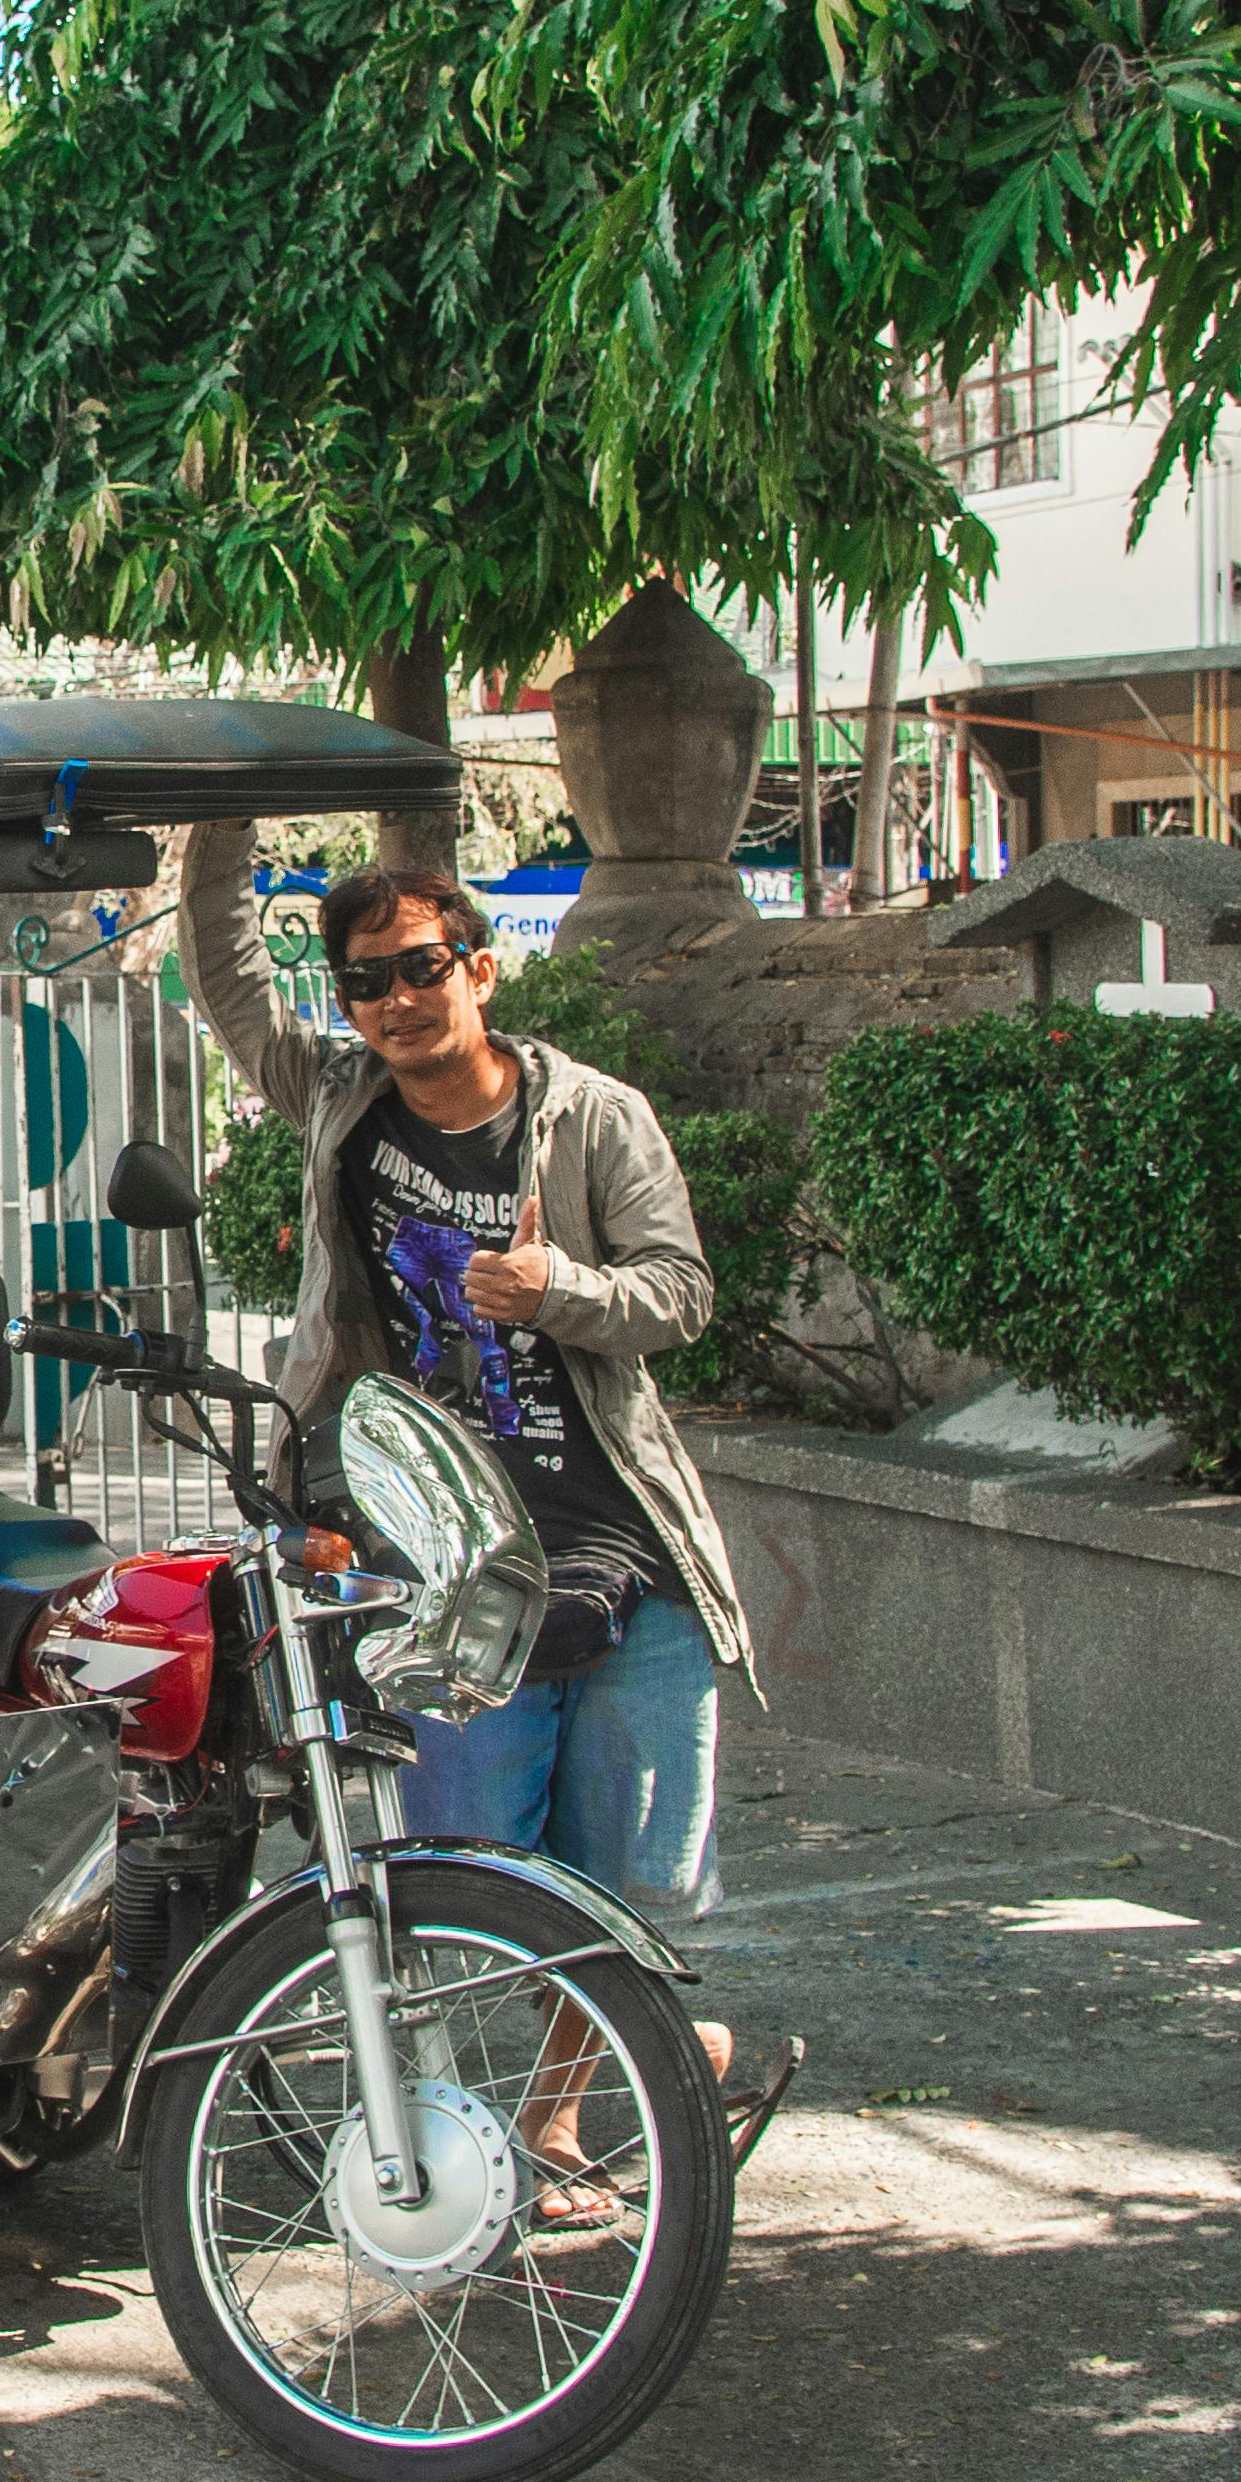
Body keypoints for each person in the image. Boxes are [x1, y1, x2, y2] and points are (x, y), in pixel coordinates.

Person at [178, 830, 748, 2215]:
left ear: (481, 972)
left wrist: (562, 1293)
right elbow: (228, 981)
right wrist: (222, 819)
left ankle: (553, 2121)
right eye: (367, 980)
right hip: (452, 1554)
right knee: (466, 1872)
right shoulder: (340, 1100)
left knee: (630, 1883)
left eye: (424, 967)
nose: (397, 999)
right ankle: (644, 2066)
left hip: (623, 1545)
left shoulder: (595, 1116)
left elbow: (681, 1292)